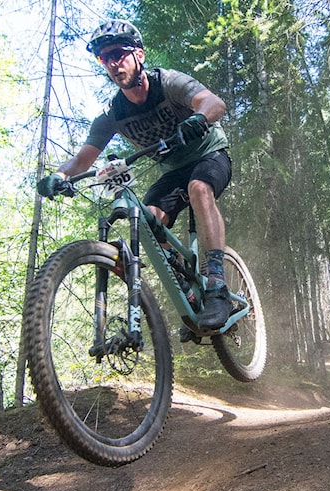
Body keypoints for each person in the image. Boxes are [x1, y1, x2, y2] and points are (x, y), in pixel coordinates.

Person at [37, 19, 234, 333]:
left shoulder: (168, 83)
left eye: (118, 53)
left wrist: (198, 118)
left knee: (199, 188)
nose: (113, 64)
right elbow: (83, 158)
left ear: (138, 55)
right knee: (148, 223)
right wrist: (59, 175)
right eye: (104, 59)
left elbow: (214, 103)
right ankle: (190, 290)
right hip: (173, 170)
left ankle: (215, 284)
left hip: (210, 153)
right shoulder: (112, 114)